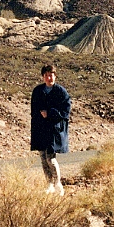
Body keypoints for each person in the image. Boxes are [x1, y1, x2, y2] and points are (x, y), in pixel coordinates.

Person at [30, 63, 71, 195]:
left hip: (54, 129)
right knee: (43, 157)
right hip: (41, 128)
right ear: (43, 77)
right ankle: (49, 184)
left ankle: (58, 183)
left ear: (55, 76)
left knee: (50, 158)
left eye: (51, 75)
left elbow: (66, 110)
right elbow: (34, 110)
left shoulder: (60, 92)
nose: (49, 78)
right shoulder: (38, 91)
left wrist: (51, 113)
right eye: (46, 75)